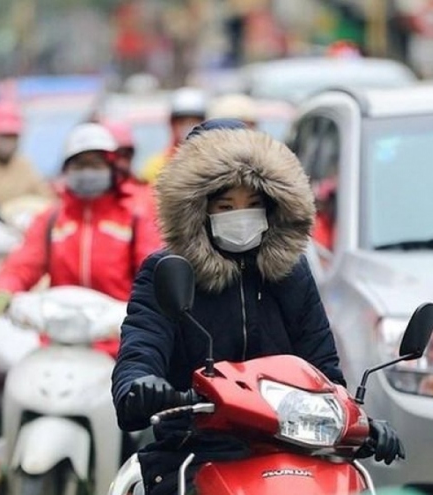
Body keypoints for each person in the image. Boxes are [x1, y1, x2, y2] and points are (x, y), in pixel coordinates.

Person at [111, 119, 405, 495]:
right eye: (226, 206)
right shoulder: (167, 272)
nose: (241, 215)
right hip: (194, 450)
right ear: (197, 211)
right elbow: (140, 349)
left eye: (253, 204)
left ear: (273, 208)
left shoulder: (292, 273)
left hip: (295, 448)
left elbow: (324, 372)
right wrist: (141, 386)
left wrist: (360, 423)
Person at [0, 123, 162, 355]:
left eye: (95, 164)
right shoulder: (52, 219)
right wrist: (4, 288)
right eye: (80, 164)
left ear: (111, 167)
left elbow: (152, 273)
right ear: (67, 169)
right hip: (59, 342)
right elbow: (24, 263)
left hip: (120, 342)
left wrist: (151, 312)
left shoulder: (135, 217)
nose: (87, 172)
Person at [138, 87, 206, 184]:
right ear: (172, 124)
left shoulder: (213, 163)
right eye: (182, 122)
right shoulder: (156, 166)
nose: (188, 126)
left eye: (194, 121)